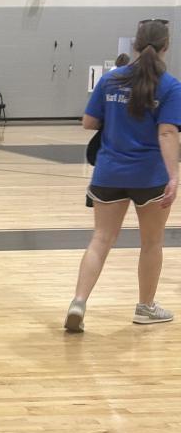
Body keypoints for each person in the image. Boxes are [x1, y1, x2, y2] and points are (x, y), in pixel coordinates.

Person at [66, 18, 181, 333]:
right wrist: (174, 177)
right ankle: (145, 307)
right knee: (151, 243)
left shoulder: (110, 80)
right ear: (166, 47)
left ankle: (78, 302)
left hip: (109, 172)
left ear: (135, 45)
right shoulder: (170, 86)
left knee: (101, 239)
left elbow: (88, 122)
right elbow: (167, 133)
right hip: (150, 177)